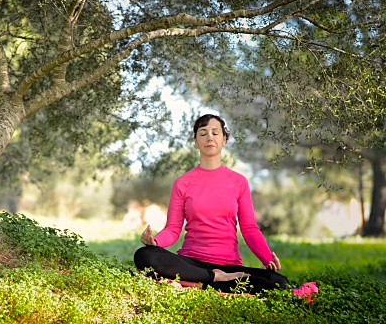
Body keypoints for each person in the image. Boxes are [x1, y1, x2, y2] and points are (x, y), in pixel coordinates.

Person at [134, 114, 317, 298]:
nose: (209, 137)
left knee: (278, 282)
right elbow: (173, 229)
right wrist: (155, 242)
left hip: (230, 268)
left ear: (224, 140)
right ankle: (212, 278)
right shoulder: (183, 183)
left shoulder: (239, 182)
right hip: (192, 264)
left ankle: (199, 284)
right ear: (196, 142)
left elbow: (249, 228)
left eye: (215, 133)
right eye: (203, 133)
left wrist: (267, 257)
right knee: (145, 256)